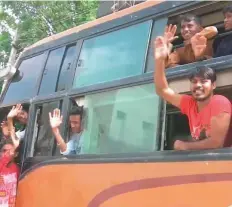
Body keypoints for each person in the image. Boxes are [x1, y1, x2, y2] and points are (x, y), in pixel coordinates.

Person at [154, 34, 232, 150]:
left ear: (213, 85)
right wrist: (159, 60)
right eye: (194, 82)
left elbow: (216, 143)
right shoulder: (189, 103)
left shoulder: (219, 102)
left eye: (203, 81)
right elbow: (163, 90)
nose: (198, 85)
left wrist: (183, 145)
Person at [0, 139, 19, 207]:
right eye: (4, 150)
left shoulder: (16, 168)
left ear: (16, 154)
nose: (7, 153)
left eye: (10, 151)